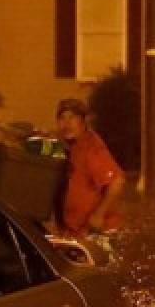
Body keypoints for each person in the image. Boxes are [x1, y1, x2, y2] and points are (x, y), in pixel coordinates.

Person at [55, 98, 125, 244]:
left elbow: (117, 181)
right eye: (62, 118)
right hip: (77, 233)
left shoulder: (92, 148)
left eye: (72, 117)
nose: (67, 123)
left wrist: (99, 215)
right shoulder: (70, 147)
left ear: (83, 121)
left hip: (98, 234)